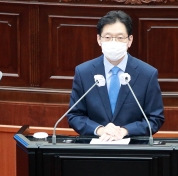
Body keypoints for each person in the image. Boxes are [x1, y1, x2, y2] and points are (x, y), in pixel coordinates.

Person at [67, 10, 164, 141]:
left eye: (120, 37)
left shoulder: (147, 74)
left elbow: (155, 118)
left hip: (134, 150)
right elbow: (74, 116)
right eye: (107, 37)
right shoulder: (84, 72)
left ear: (130, 40)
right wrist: (100, 130)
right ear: (99, 39)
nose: (113, 42)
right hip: (94, 148)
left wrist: (125, 131)